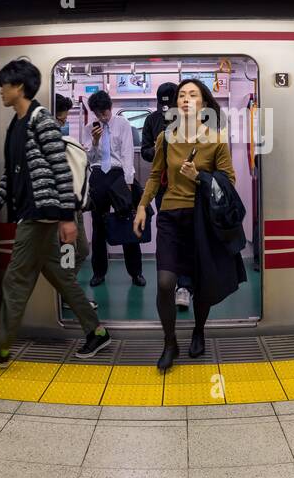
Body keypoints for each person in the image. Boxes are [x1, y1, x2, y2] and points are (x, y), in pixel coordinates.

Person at [0, 59, 111, 365]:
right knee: (61, 277)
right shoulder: (17, 125)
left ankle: (0, 349)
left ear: (18, 87)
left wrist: (67, 217)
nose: (0, 91)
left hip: (42, 214)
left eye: (4, 85)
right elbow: (14, 175)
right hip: (32, 212)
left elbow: (60, 168)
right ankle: (96, 332)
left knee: (16, 279)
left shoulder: (39, 119)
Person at [134, 79, 238, 371]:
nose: (186, 99)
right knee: (166, 283)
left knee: (202, 284)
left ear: (203, 103)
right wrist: (142, 206)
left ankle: (199, 330)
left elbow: (229, 182)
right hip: (169, 215)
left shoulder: (215, 140)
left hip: (201, 220)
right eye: (182, 95)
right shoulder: (165, 138)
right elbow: (155, 176)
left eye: (193, 94)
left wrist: (199, 178)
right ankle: (170, 342)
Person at [83, 90, 145, 288]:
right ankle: (99, 272)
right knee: (98, 226)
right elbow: (89, 159)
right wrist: (93, 142)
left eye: (105, 112)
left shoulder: (123, 124)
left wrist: (128, 181)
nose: (103, 117)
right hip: (99, 174)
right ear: (94, 113)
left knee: (127, 222)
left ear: (110, 107)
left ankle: (135, 273)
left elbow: (127, 153)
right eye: (99, 114)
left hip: (119, 176)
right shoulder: (88, 128)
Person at [140, 82, 190, 309]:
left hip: (188, 187)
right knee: (169, 237)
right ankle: (171, 284)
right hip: (163, 188)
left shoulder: (189, 120)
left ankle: (185, 285)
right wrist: (162, 148)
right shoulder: (151, 120)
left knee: (188, 236)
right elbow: (145, 152)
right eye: (163, 101)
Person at [54, 93, 94, 310]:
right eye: (61, 120)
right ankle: (64, 297)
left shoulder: (66, 143)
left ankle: (65, 293)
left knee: (82, 251)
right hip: (61, 210)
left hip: (74, 207)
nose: (63, 123)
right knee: (67, 255)